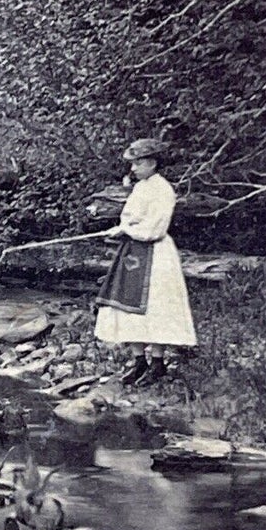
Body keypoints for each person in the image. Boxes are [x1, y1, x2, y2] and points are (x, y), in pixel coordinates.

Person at [94, 137, 196, 385]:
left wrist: (126, 230)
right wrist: (121, 228)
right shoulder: (141, 187)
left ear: (152, 163)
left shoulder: (163, 190)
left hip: (155, 254)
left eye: (137, 163)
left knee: (155, 307)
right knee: (127, 306)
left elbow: (155, 229)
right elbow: (130, 219)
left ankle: (158, 363)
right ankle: (139, 360)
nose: (133, 169)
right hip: (133, 253)